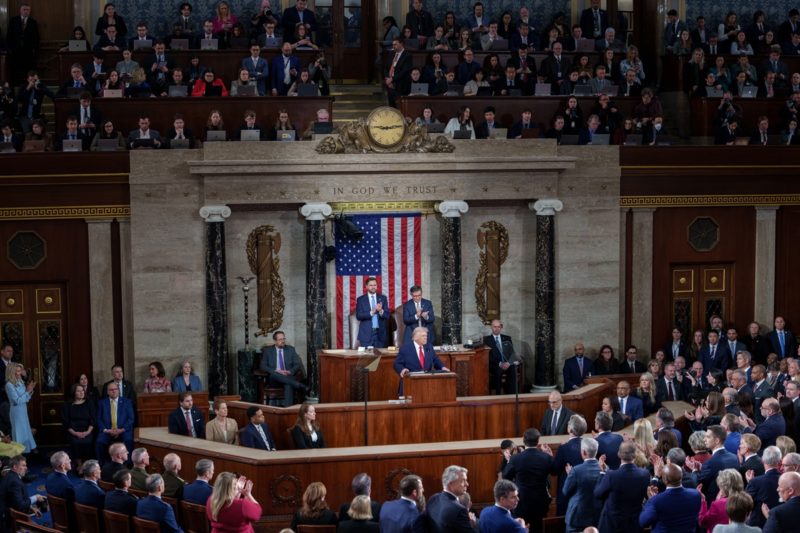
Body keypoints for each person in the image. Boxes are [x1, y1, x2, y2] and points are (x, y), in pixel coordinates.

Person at [502, 429, 551, 533]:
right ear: (538, 441)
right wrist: (550, 455)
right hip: (540, 501)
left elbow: (506, 476)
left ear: (523, 439)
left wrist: (509, 461)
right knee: (538, 528)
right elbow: (555, 471)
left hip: (522, 501)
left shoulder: (515, 459)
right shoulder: (546, 457)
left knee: (521, 527)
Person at [594, 441, 650, 532]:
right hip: (633, 526)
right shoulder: (645, 474)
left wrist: (602, 473)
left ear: (619, 454)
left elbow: (598, 494)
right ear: (635, 455)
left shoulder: (611, 475)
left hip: (612, 526)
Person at [640, 463, 701, 532]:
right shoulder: (696, 494)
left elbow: (643, 522)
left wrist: (651, 501)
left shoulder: (656, 501)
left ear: (664, 480)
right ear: (681, 476)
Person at [687, 426, 741, 501]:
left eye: (708, 437)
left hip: (715, 503)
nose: (704, 439)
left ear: (717, 441)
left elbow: (697, 482)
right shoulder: (734, 457)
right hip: (733, 500)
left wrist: (694, 470)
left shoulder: (710, 462)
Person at [562, 437, 602, 532]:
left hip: (577, 518)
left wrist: (570, 476)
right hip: (597, 516)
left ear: (583, 452)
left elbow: (565, 491)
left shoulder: (576, 470)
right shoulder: (605, 468)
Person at [258, 330, 305, 407]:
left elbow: (297, 364)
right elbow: (263, 366)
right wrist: (275, 371)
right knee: (274, 374)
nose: (283, 341)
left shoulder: (291, 349)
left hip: (288, 376)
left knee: (288, 384)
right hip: (274, 379)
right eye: (280, 339)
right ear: (275, 341)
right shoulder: (268, 351)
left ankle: (287, 410)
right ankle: (299, 385)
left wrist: (290, 371)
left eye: (283, 339)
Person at [422, 465, 472, 533]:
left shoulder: (433, 498)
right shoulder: (459, 510)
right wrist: (472, 524)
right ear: (450, 484)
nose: (467, 484)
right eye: (463, 481)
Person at [0, 455, 46, 529]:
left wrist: (30, 507)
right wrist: (36, 498)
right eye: (23, 465)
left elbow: (15, 499)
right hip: (9, 521)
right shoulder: (14, 482)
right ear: (15, 467)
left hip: (9, 510)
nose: (26, 468)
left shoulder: (10, 475)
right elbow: (20, 505)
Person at [745, 445, 782, 529]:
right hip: (780, 525)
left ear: (762, 460)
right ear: (780, 461)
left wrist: (750, 482)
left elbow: (745, 502)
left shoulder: (755, 482)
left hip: (758, 526)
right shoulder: (786, 479)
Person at [96, 380, 134, 460]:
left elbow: (131, 419)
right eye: (111, 390)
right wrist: (106, 430)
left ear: (118, 390)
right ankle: (102, 466)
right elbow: (99, 419)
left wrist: (121, 430)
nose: (113, 391)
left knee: (128, 440)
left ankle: (128, 465)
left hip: (123, 430)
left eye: (115, 389)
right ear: (107, 392)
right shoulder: (102, 403)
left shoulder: (127, 402)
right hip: (107, 431)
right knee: (99, 442)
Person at [5, 363, 35, 454]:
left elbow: (25, 399)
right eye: (17, 371)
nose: (19, 373)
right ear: (11, 372)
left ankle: (25, 455)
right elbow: (17, 401)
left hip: (23, 410)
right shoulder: (9, 385)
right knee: (18, 433)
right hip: (16, 412)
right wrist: (27, 391)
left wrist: (29, 392)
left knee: (25, 431)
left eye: (20, 371)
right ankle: (18, 456)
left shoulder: (20, 382)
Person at [61, 382, 95, 464]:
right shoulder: (67, 405)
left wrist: (87, 432)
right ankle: (79, 464)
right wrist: (75, 433)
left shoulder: (89, 403)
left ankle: (87, 464)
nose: (81, 392)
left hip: (87, 430)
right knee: (76, 442)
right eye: (78, 391)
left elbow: (93, 419)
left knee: (88, 442)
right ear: (74, 393)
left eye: (82, 391)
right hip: (73, 431)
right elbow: (66, 421)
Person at [483, 319, 518, 395]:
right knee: (498, 371)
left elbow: (511, 352)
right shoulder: (487, 340)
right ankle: (498, 395)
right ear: (491, 327)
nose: (496, 329)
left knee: (513, 369)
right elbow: (487, 356)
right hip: (495, 364)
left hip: (507, 363)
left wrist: (508, 363)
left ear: (501, 327)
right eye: (495, 327)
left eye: (499, 327)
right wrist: (500, 363)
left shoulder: (507, 338)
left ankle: (511, 394)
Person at [355, 277, 390, 348]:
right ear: (366, 286)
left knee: (381, 358)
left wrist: (380, 310)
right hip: (366, 335)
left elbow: (387, 315)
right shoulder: (361, 299)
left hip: (380, 334)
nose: (373, 287)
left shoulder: (383, 298)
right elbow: (359, 316)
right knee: (367, 358)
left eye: (375, 285)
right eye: (371, 285)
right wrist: (371, 312)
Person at [384, 38, 412, 107]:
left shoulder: (407, 56)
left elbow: (404, 71)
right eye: (393, 45)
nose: (393, 46)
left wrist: (392, 79)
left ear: (401, 44)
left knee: (400, 107)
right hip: (390, 85)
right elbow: (386, 67)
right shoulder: (391, 54)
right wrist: (387, 79)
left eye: (395, 44)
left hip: (401, 85)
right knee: (391, 107)